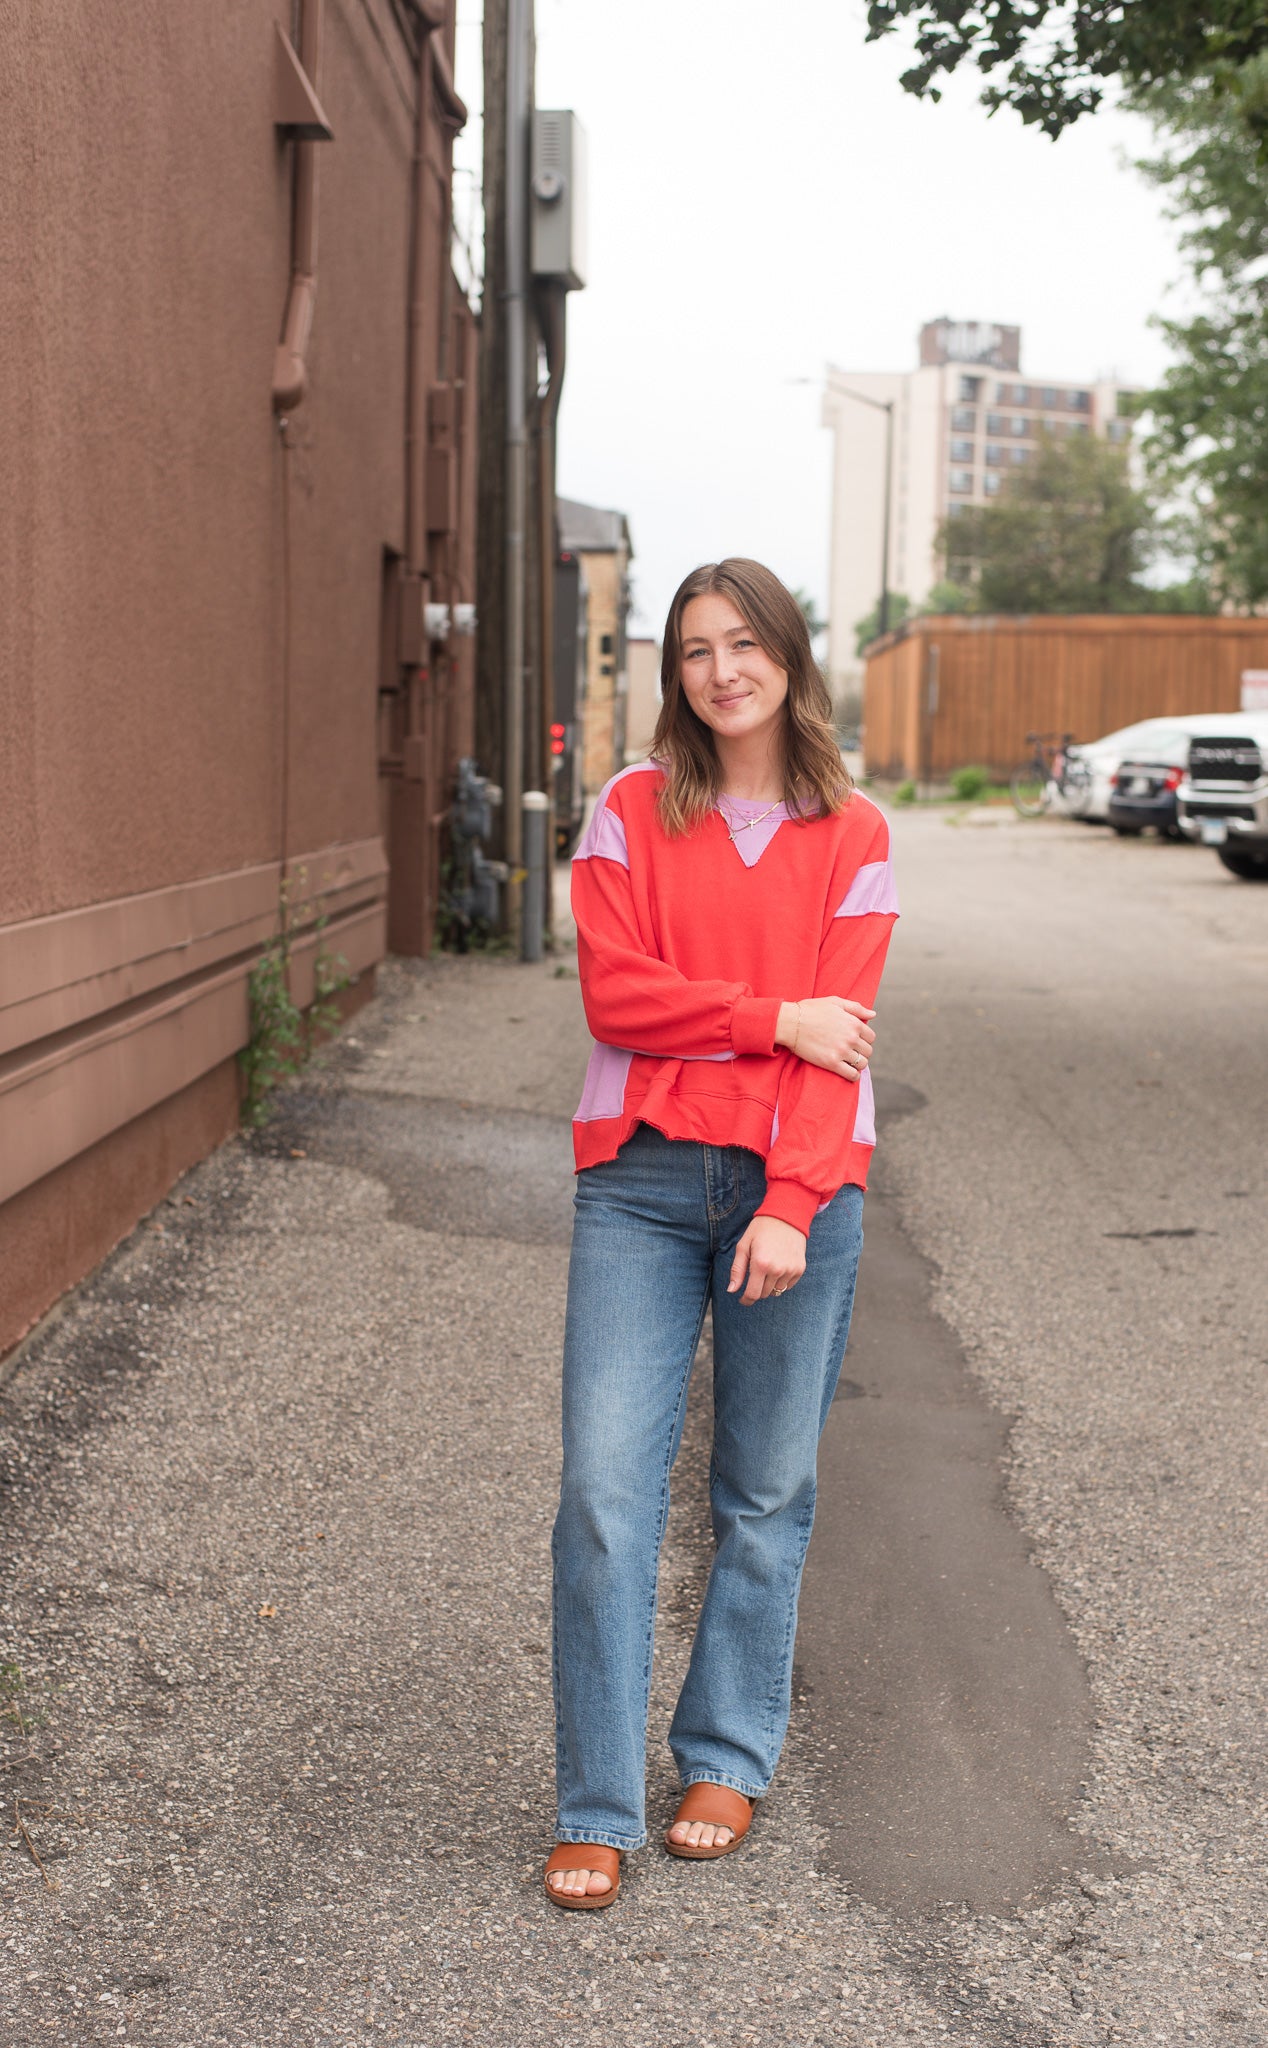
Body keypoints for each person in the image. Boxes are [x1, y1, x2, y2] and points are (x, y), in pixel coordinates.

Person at [543, 558, 898, 1909]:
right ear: (673, 675)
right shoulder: (632, 810)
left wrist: (797, 1204)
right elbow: (617, 998)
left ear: (790, 660)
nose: (720, 670)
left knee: (763, 1492)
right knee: (602, 1492)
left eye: (744, 644)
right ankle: (595, 1801)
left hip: (795, 1195)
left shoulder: (854, 833)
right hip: (636, 1183)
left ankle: (726, 1754)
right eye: (694, 650)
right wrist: (771, 1018)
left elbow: (845, 1037)